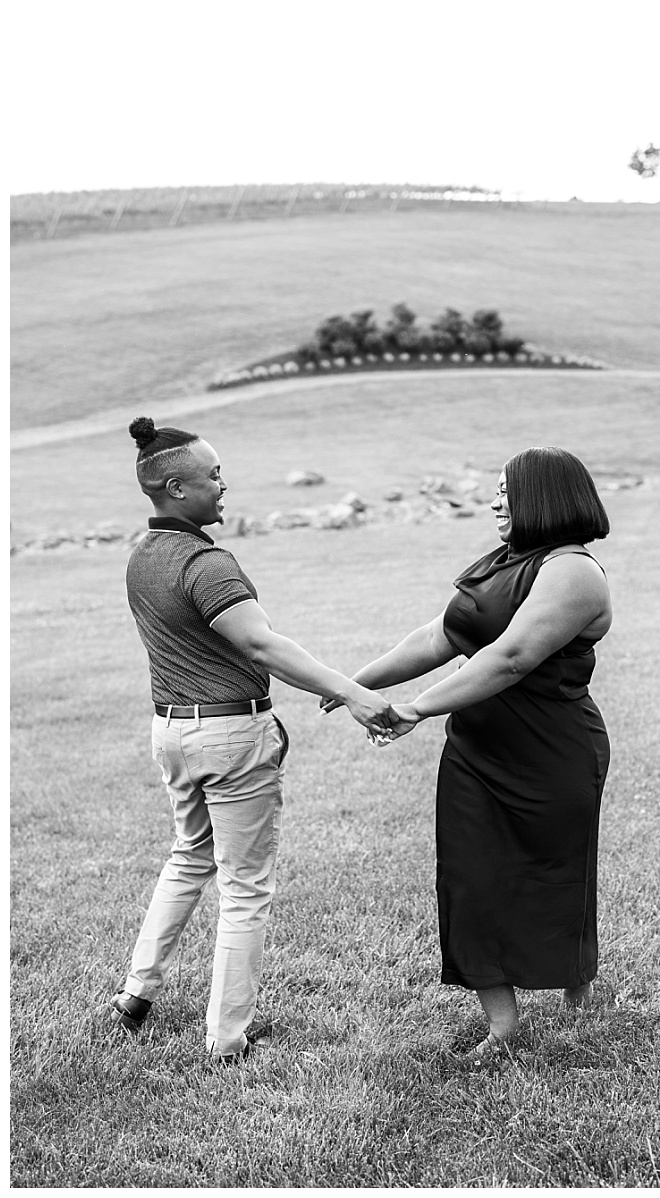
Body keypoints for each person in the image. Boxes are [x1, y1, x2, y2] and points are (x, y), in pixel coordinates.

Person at [114, 417, 395, 1063]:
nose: (223, 484)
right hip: (229, 736)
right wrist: (354, 692)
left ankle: (136, 993)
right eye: (212, 475)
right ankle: (227, 1039)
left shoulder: (143, 555)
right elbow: (261, 642)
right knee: (245, 887)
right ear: (176, 487)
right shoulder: (204, 562)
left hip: (172, 732)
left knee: (189, 857)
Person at [333, 446, 612, 1059]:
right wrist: (361, 682)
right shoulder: (500, 562)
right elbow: (440, 634)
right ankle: (502, 1023)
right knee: (471, 881)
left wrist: (417, 708)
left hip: (550, 753)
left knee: (556, 875)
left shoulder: (573, 572)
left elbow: (510, 657)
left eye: (507, 492)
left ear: (543, 498)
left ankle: (576, 998)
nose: (494, 501)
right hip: (477, 752)